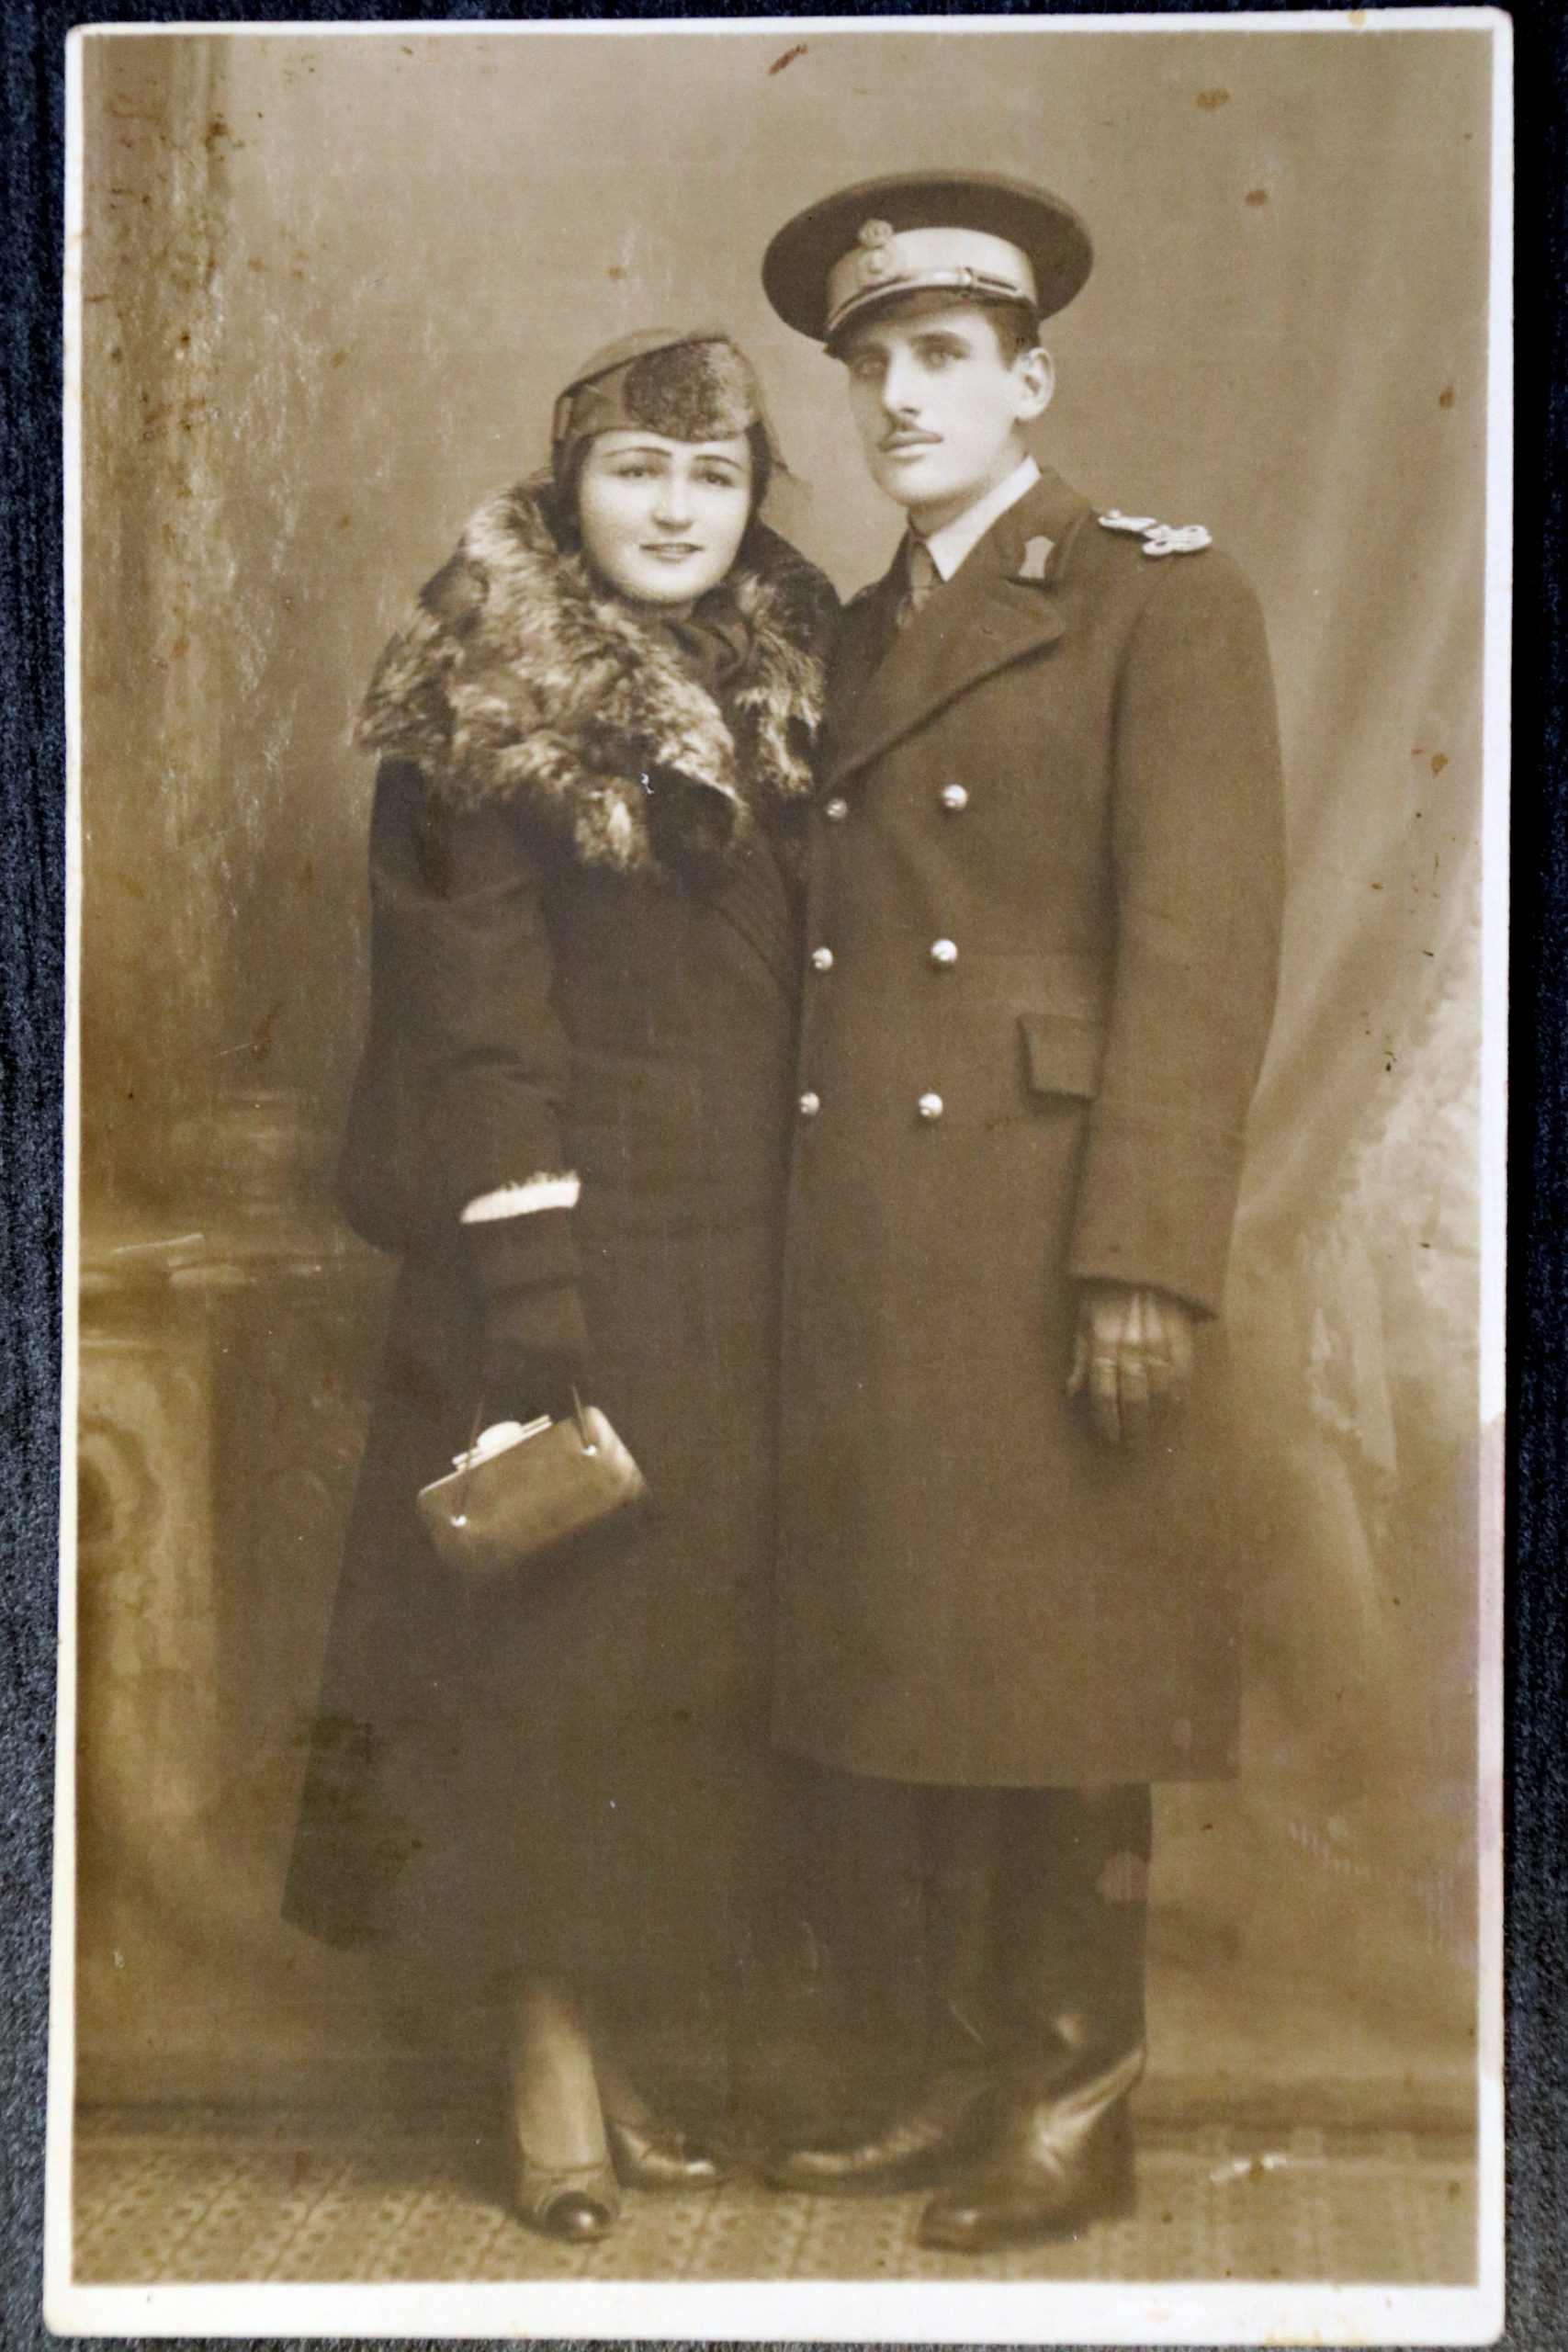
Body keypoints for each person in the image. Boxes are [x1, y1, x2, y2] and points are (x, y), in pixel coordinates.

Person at [759, 173, 1285, 2250]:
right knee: (915, 1656)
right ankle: (944, 2075)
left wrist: (1142, 1257)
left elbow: (1200, 958)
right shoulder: (851, 628)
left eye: (941, 357)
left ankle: (1074, 2106)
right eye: (869, 366)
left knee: (1059, 1669)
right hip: (873, 1236)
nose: (898, 397)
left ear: (1027, 381)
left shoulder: (1157, 596)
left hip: (1049, 1221)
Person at [283, 330, 838, 2241]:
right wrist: (530, 1273)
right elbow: (470, 1007)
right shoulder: (482, 696)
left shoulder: (790, 674)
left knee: (664, 1670)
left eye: (713, 475)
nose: (676, 510)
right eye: (636, 471)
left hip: (734, 1246)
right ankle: (542, 2054)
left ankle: (611, 2030)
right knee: (544, 1651)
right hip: (549, 1241)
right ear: (567, 485)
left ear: (752, 498)